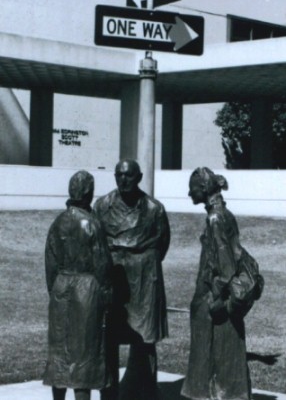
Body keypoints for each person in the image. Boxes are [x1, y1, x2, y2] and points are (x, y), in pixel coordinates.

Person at [181, 167, 263, 400]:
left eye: (192, 188)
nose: (189, 193)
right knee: (227, 357)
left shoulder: (215, 218)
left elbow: (226, 267)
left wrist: (213, 297)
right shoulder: (224, 213)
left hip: (216, 301)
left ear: (204, 189)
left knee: (213, 358)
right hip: (223, 300)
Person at [93, 159, 170, 400]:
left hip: (144, 281)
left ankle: (145, 389)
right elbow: (95, 242)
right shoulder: (102, 205)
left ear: (138, 177)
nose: (123, 180)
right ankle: (110, 391)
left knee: (145, 340)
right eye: (119, 175)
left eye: (128, 176)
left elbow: (162, 244)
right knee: (110, 338)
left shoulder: (154, 208)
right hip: (114, 279)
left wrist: (140, 261)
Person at [43, 170, 113, 400]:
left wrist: (55, 291)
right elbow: (102, 263)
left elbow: (50, 262)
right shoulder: (92, 223)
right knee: (85, 355)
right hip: (87, 290)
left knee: (60, 353)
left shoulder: (58, 222)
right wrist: (106, 295)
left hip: (61, 288)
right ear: (88, 194)